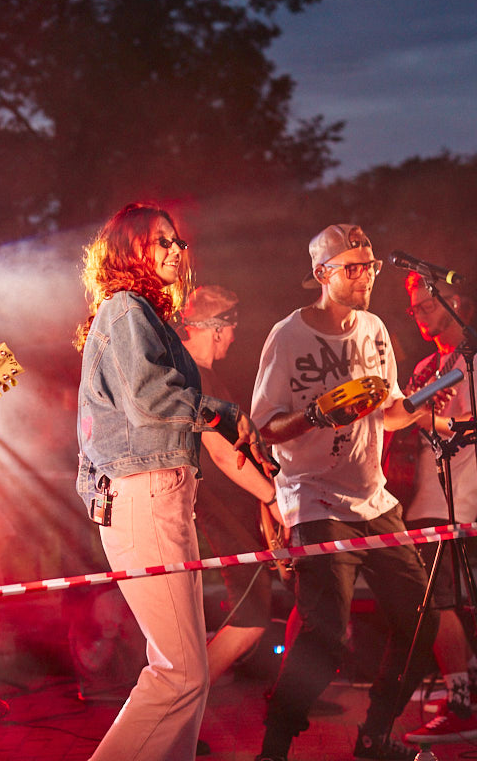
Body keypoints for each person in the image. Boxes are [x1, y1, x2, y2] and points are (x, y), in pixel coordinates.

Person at [75, 203, 276, 761]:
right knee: (180, 674)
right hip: (141, 496)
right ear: (126, 252)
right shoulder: (124, 310)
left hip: (163, 495)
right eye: (159, 242)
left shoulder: (146, 315)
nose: (174, 251)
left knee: (190, 676)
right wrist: (225, 413)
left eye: (176, 242)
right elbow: (150, 400)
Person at [250, 224, 443, 761]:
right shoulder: (288, 336)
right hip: (314, 499)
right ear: (322, 273)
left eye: (371, 266)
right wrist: (316, 413)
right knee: (327, 635)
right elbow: (264, 426)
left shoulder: (376, 330)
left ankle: (375, 735)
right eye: (353, 268)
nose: (366, 277)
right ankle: (274, 747)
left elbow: (392, 411)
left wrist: (426, 406)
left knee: (419, 620)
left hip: (373, 499)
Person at [397, 273, 477, 744]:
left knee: (439, 604)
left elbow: (475, 422)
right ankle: (475, 684)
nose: (418, 315)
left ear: (454, 301)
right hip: (414, 495)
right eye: (413, 308)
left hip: (449, 497)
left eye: (425, 306)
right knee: (441, 602)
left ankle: (460, 706)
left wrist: (420, 415)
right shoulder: (426, 366)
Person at [178, 286, 281, 686]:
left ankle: (181, 714)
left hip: (223, 506)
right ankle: (180, 712)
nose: (235, 338)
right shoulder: (195, 376)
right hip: (219, 507)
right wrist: (272, 498)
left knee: (254, 613)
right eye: (232, 328)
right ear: (217, 328)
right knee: (252, 616)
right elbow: (220, 454)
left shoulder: (201, 375)